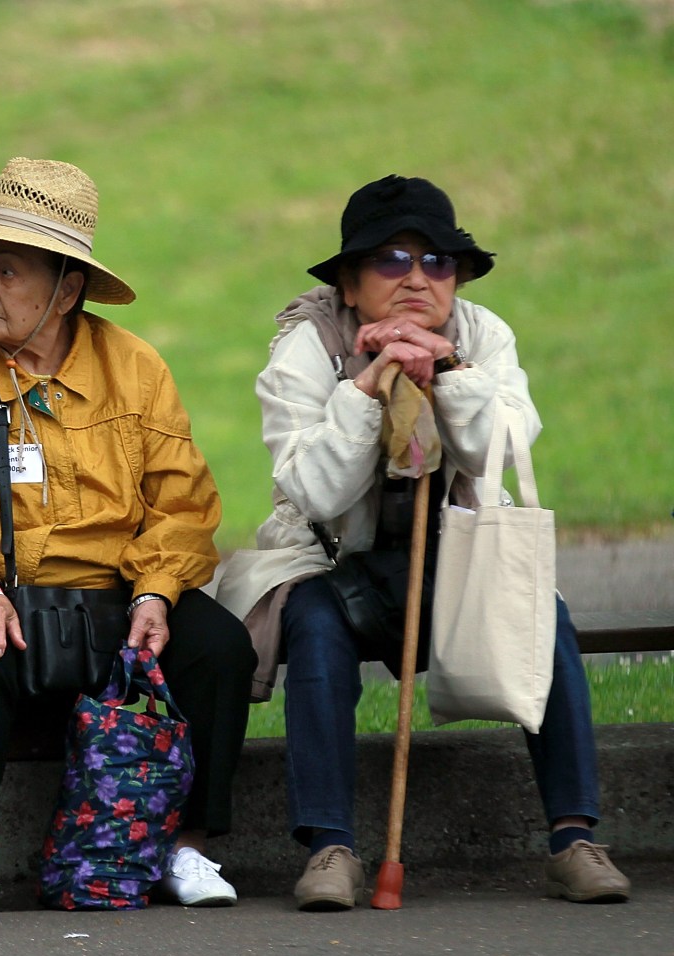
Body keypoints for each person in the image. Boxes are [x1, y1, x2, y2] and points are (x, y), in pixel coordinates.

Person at [215, 174, 632, 910]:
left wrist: (447, 368)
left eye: (437, 262)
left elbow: (501, 450)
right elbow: (315, 490)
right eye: (392, 260)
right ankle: (329, 848)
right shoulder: (304, 347)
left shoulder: (482, 335)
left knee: (547, 617)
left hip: (458, 555)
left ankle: (574, 838)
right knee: (312, 628)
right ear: (348, 282)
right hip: (335, 563)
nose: (418, 277)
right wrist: (367, 387)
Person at [0, 157, 257, 916]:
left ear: (68, 288)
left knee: (219, 647)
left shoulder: (135, 366)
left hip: (117, 592)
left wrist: (157, 592)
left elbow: (182, 503)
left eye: (9, 271)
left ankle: (187, 849)